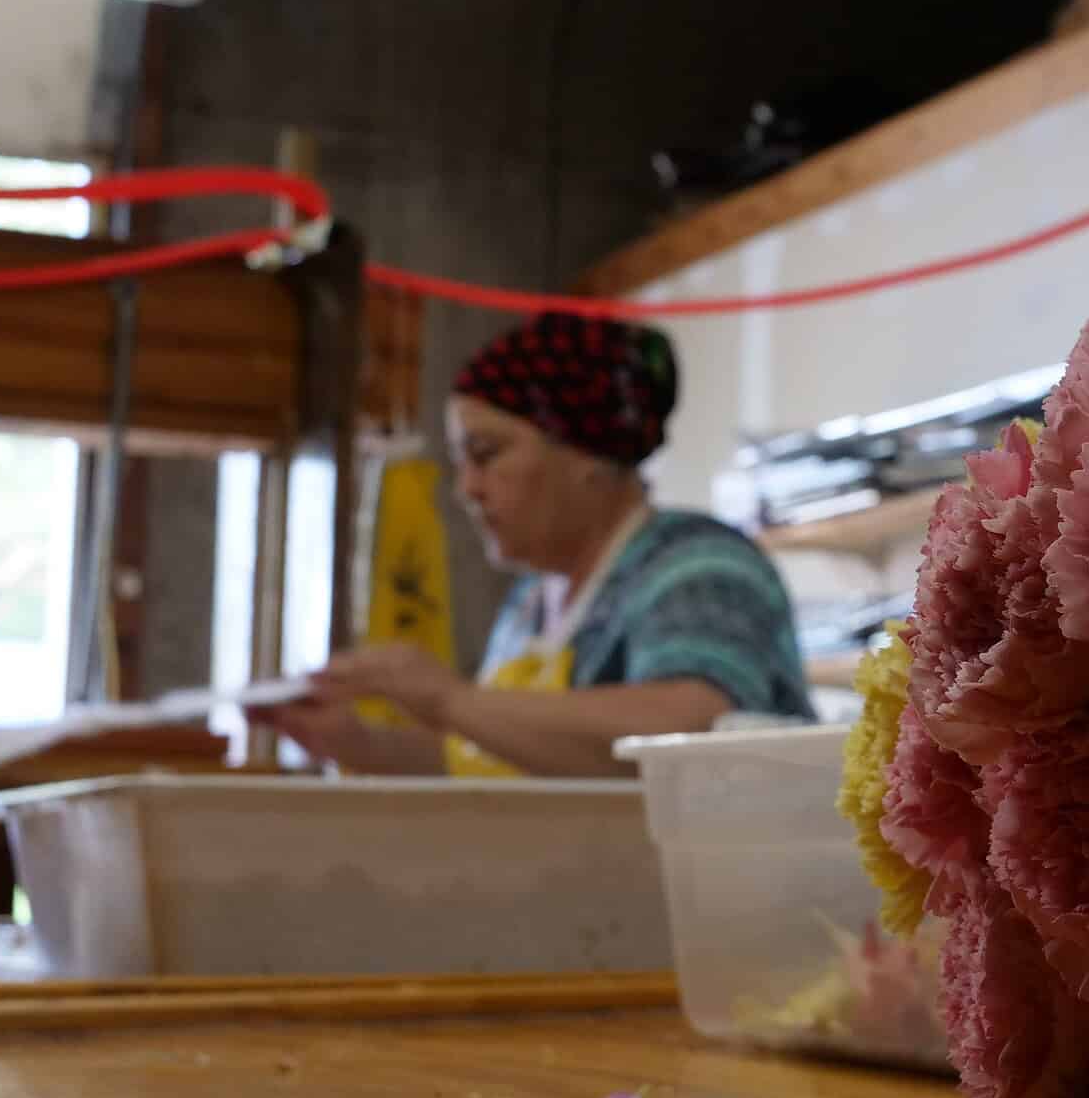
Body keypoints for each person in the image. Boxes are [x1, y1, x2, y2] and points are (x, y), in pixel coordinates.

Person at [258, 311, 813, 777]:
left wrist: (447, 699)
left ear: (586, 457)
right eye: (461, 462)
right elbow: (502, 762)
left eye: (487, 453)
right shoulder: (529, 602)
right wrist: (356, 744)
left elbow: (686, 733)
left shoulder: (699, 568)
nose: (467, 488)